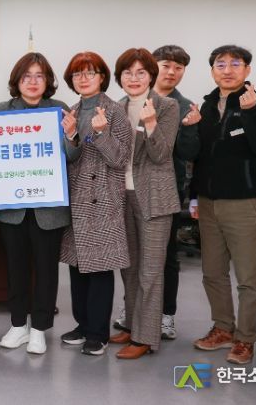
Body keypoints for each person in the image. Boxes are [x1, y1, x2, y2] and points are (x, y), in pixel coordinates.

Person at [190, 45, 256, 365]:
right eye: (220, 64)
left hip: (245, 202)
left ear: (247, 70)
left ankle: (245, 338)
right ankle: (223, 328)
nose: (227, 70)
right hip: (208, 202)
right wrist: (194, 196)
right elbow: (200, 157)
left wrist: (251, 112)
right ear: (212, 70)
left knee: (248, 277)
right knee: (212, 272)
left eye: (235, 64)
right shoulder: (206, 105)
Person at [0, 52, 71, 355]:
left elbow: (73, 157)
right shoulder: (2, 110)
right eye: (27, 76)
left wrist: (71, 135)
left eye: (39, 76)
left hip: (48, 209)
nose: (33, 82)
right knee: (16, 269)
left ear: (48, 80)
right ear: (17, 81)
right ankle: (17, 325)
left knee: (47, 270)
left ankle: (39, 329)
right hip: (12, 209)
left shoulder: (60, 110)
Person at [58, 51, 132, 356]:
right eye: (77, 74)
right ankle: (83, 324)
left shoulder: (115, 111)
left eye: (90, 73)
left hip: (103, 198)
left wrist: (101, 133)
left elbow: (120, 159)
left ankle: (98, 333)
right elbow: (71, 156)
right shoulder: (72, 111)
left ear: (102, 77)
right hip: (77, 196)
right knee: (78, 267)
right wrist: (72, 135)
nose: (83, 79)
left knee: (100, 268)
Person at [108, 48, 180, 360]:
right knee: (129, 268)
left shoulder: (166, 106)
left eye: (141, 72)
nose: (134, 78)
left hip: (154, 198)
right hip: (122, 196)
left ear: (151, 76)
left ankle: (145, 337)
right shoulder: (116, 108)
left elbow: (161, 155)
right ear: (119, 77)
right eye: (127, 73)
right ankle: (131, 325)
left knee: (150, 271)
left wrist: (150, 123)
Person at [151, 45, 201, 340]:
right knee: (136, 257)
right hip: (133, 189)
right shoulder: (136, 99)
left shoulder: (186, 107)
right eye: (166, 65)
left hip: (168, 189)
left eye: (178, 68)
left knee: (167, 255)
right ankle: (133, 310)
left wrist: (190, 129)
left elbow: (190, 153)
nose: (171, 72)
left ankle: (166, 315)